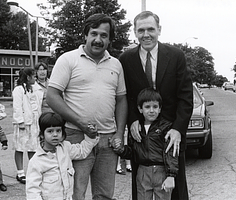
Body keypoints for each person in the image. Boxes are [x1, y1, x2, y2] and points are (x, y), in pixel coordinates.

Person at [46, 13, 128, 200]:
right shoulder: (68, 59)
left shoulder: (116, 64)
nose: (98, 39)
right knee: (75, 193)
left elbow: (122, 99)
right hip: (76, 136)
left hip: (108, 141)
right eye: (94, 33)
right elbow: (52, 96)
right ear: (85, 35)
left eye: (104, 35)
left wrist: (119, 133)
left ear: (109, 39)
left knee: (105, 195)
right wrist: (80, 122)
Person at [119, 11, 193, 200]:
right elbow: (125, 96)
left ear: (159, 30)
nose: (146, 34)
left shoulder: (176, 56)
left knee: (175, 190)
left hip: (171, 137)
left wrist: (178, 129)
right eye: (141, 30)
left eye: (151, 29)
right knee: (141, 190)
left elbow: (185, 97)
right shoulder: (126, 60)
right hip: (141, 138)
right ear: (135, 32)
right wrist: (133, 120)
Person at [112, 88, 178, 200]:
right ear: (140, 109)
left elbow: (171, 152)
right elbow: (133, 152)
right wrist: (121, 149)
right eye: (147, 107)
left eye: (155, 107)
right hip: (142, 171)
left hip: (161, 171)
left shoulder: (165, 127)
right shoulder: (136, 129)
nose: (151, 110)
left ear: (160, 108)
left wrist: (171, 175)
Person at [26, 112, 99, 200]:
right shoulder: (36, 161)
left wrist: (91, 136)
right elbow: (32, 191)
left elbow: (81, 151)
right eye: (50, 131)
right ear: (42, 134)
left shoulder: (65, 148)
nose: (55, 134)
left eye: (58, 130)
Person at [12, 67, 43, 184]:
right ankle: (20, 172)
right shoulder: (19, 89)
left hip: (34, 122)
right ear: (28, 77)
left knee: (32, 146)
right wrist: (20, 121)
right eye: (33, 76)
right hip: (23, 123)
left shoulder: (34, 89)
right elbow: (17, 106)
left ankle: (32, 170)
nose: (35, 78)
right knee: (20, 147)